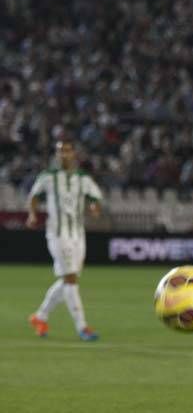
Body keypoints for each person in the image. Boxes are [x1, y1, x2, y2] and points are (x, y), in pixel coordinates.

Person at [26, 138, 103, 341]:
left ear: (74, 153)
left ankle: (40, 316)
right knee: (70, 279)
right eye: (60, 151)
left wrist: (95, 207)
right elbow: (34, 196)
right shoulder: (48, 176)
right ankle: (82, 327)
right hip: (57, 233)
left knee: (70, 278)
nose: (63, 154)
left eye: (67, 150)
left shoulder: (82, 178)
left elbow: (95, 197)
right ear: (56, 154)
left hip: (78, 233)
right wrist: (32, 214)